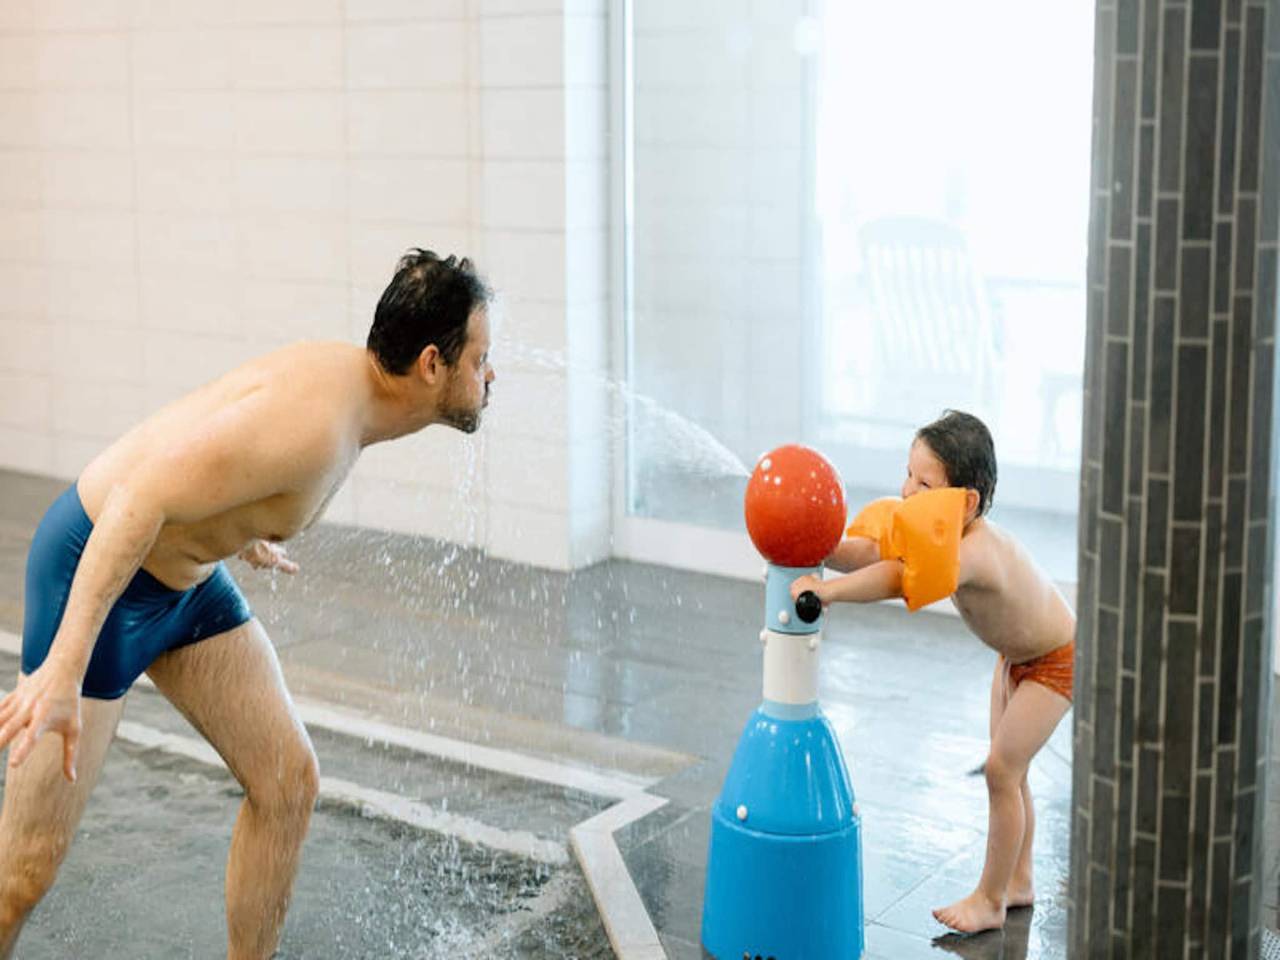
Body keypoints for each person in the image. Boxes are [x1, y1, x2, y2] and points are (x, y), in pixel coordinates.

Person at [0, 249, 495, 960]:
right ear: (430, 365)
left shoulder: (349, 394)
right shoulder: (316, 426)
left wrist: (238, 521)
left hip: (186, 584)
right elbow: (139, 495)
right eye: (481, 358)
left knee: (288, 782)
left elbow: (212, 435)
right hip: (99, 569)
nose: (491, 374)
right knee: (24, 872)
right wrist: (64, 670)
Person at [791, 410, 1075, 934]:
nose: (907, 489)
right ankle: (1020, 881)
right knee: (1013, 775)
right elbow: (877, 551)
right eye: (908, 474)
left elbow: (900, 578)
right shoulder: (946, 534)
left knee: (1002, 773)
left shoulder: (975, 552)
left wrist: (828, 592)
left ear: (964, 502)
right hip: (1014, 659)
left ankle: (991, 899)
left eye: (924, 483)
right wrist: (824, 551)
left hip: (1055, 662)